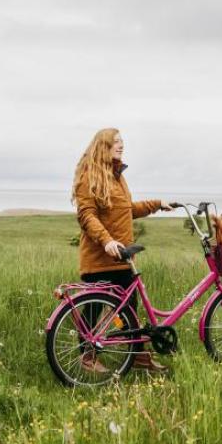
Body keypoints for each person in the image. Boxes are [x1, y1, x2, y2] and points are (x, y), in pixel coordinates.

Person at [71, 127, 172, 373]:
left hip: (122, 258)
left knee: (130, 310)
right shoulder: (89, 176)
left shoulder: (117, 176)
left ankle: (137, 355)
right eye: (115, 142)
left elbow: (127, 209)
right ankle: (87, 358)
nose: (121, 145)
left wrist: (157, 205)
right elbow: (86, 215)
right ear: (102, 146)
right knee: (94, 308)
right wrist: (106, 240)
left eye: (122, 141)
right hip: (100, 257)